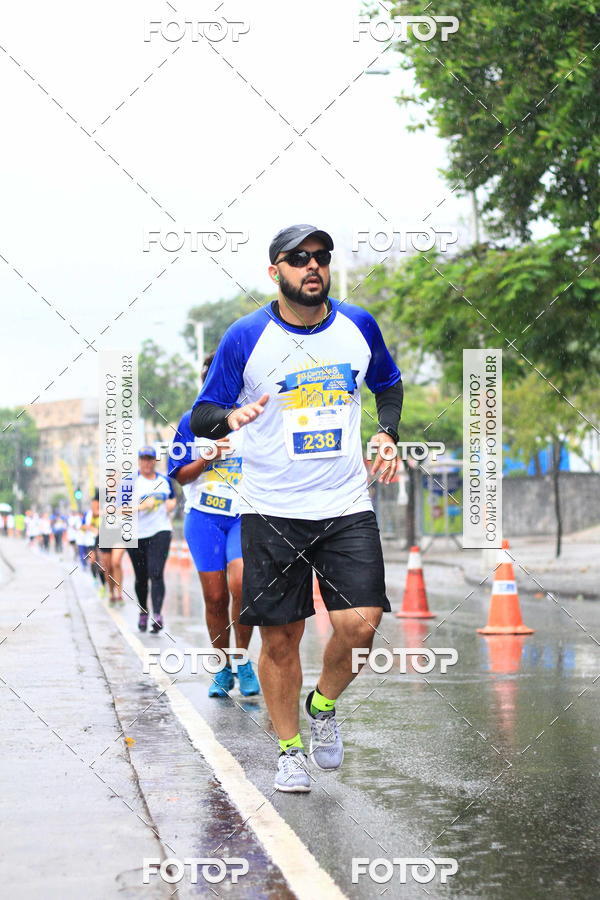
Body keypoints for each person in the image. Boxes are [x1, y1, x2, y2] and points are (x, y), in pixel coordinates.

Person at [190, 224, 403, 792]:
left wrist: (387, 434)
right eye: (298, 258)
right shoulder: (245, 336)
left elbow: (389, 383)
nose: (313, 266)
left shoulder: (358, 326)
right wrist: (226, 419)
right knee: (280, 639)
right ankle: (288, 749)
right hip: (271, 507)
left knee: (361, 624)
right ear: (275, 271)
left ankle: (323, 706)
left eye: (321, 257)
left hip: (344, 503)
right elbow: (202, 412)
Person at [169, 353, 260, 699]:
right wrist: (206, 458)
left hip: (244, 516)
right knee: (215, 596)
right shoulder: (191, 421)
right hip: (204, 518)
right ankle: (222, 668)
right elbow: (179, 475)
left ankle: (243, 659)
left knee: (242, 585)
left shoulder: (252, 419)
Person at [127, 447, 176, 633]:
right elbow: (115, 509)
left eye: (150, 459)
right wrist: (139, 507)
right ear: (139, 461)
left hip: (160, 531)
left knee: (156, 572)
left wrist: (171, 504)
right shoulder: (130, 482)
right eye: (143, 459)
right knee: (141, 578)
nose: (147, 463)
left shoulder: (165, 481)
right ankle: (143, 612)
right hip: (136, 534)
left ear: (155, 461)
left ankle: (157, 615)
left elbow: (172, 499)